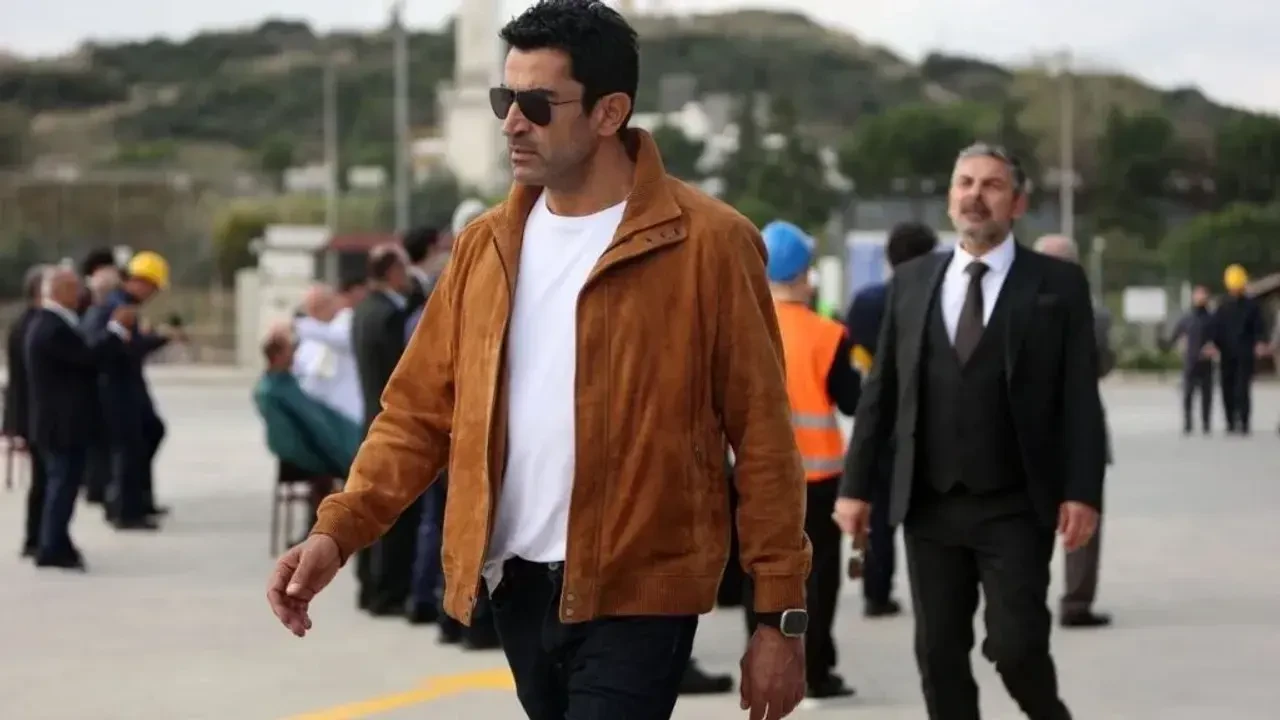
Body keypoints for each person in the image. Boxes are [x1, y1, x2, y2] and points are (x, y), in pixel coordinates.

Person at [267, 3, 810, 719]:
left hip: (640, 594)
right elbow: (416, 417)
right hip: (515, 586)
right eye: (505, 99)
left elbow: (763, 437)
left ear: (610, 112)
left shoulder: (709, 244)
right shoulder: (485, 248)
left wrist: (780, 617)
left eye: (537, 104)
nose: (512, 123)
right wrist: (336, 533)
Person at [835, 142, 1106, 720]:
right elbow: (881, 391)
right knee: (938, 656)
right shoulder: (912, 282)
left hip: (1017, 505)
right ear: (950, 197)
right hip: (930, 504)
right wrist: (854, 489)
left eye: (992, 185)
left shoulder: (1058, 285)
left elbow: (1080, 398)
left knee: (1017, 648)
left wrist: (1083, 491)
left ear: (1018, 203)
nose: (975, 196)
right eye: (965, 183)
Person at [753, 219, 860, 700]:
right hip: (817, 477)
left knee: (760, 574)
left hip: (756, 478)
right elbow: (853, 401)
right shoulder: (829, 334)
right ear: (804, 274)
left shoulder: (745, 328)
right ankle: (815, 673)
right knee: (817, 577)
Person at [842, 221, 939, 619]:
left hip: (880, 421)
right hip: (927, 421)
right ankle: (935, 594)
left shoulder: (866, 302)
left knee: (878, 513)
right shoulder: (937, 301)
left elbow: (855, 362)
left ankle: (876, 592)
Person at [25, 267, 132, 570]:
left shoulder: (55, 322)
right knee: (62, 485)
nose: (80, 294)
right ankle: (51, 547)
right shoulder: (52, 327)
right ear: (57, 291)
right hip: (62, 424)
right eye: (73, 288)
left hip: (60, 422)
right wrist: (116, 330)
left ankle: (56, 541)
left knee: (63, 485)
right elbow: (87, 357)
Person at [1033, 234, 1115, 629]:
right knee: (1083, 516)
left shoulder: (1010, 303)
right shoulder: (1094, 313)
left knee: (1025, 520)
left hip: (1025, 432)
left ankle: (1023, 598)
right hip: (1077, 428)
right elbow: (1102, 364)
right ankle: (1076, 601)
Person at [348, 243, 421, 617]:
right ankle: (387, 592)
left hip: (369, 419)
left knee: (369, 506)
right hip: (392, 424)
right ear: (393, 271)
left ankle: (368, 587)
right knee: (395, 514)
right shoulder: (392, 317)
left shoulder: (363, 310)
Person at [83, 250, 174, 531]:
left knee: (149, 434)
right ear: (139, 281)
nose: (152, 294)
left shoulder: (124, 306)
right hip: (116, 390)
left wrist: (156, 339)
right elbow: (103, 348)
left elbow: (132, 346)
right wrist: (130, 334)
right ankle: (125, 510)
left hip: (129, 387)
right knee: (128, 449)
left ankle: (137, 500)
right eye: (152, 287)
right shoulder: (112, 307)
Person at [254, 326, 362, 524]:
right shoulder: (276, 390)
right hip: (303, 452)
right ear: (278, 355)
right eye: (290, 350)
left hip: (304, 447)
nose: (294, 355)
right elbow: (314, 426)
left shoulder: (278, 385)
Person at [6, 265, 51, 558]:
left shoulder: (28, 323)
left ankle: (38, 536)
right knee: (43, 479)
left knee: (43, 478)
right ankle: (36, 537)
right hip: (35, 414)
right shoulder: (32, 326)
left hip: (30, 413)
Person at [292, 284, 363, 426]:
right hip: (320, 410)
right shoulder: (310, 335)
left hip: (348, 408)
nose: (314, 313)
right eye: (311, 309)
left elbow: (340, 338)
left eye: (320, 307)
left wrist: (299, 326)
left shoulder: (347, 319)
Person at [1211, 264, 1267, 435]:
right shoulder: (1222, 305)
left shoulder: (1252, 305)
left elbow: (1258, 326)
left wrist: (1260, 342)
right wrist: (1213, 344)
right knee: (1227, 386)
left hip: (1244, 351)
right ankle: (1230, 421)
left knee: (1242, 387)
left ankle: (1244, 421)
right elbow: (1216, 327)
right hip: (1226, 351)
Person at [1165, 285, 1217, 435]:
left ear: (1207, 298)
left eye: (1203, 295)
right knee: (1188, 394)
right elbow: (1175, 335)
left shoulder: (1212, 319)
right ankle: (1188, 423)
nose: (1200, 297)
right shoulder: (1187, 318)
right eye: (1197, 294)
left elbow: (1219, 337)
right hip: (1191, 360)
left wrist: (1214, 347)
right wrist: (1168, 344)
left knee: (1207, 394)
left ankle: (1206, 423)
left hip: (1206, 361)